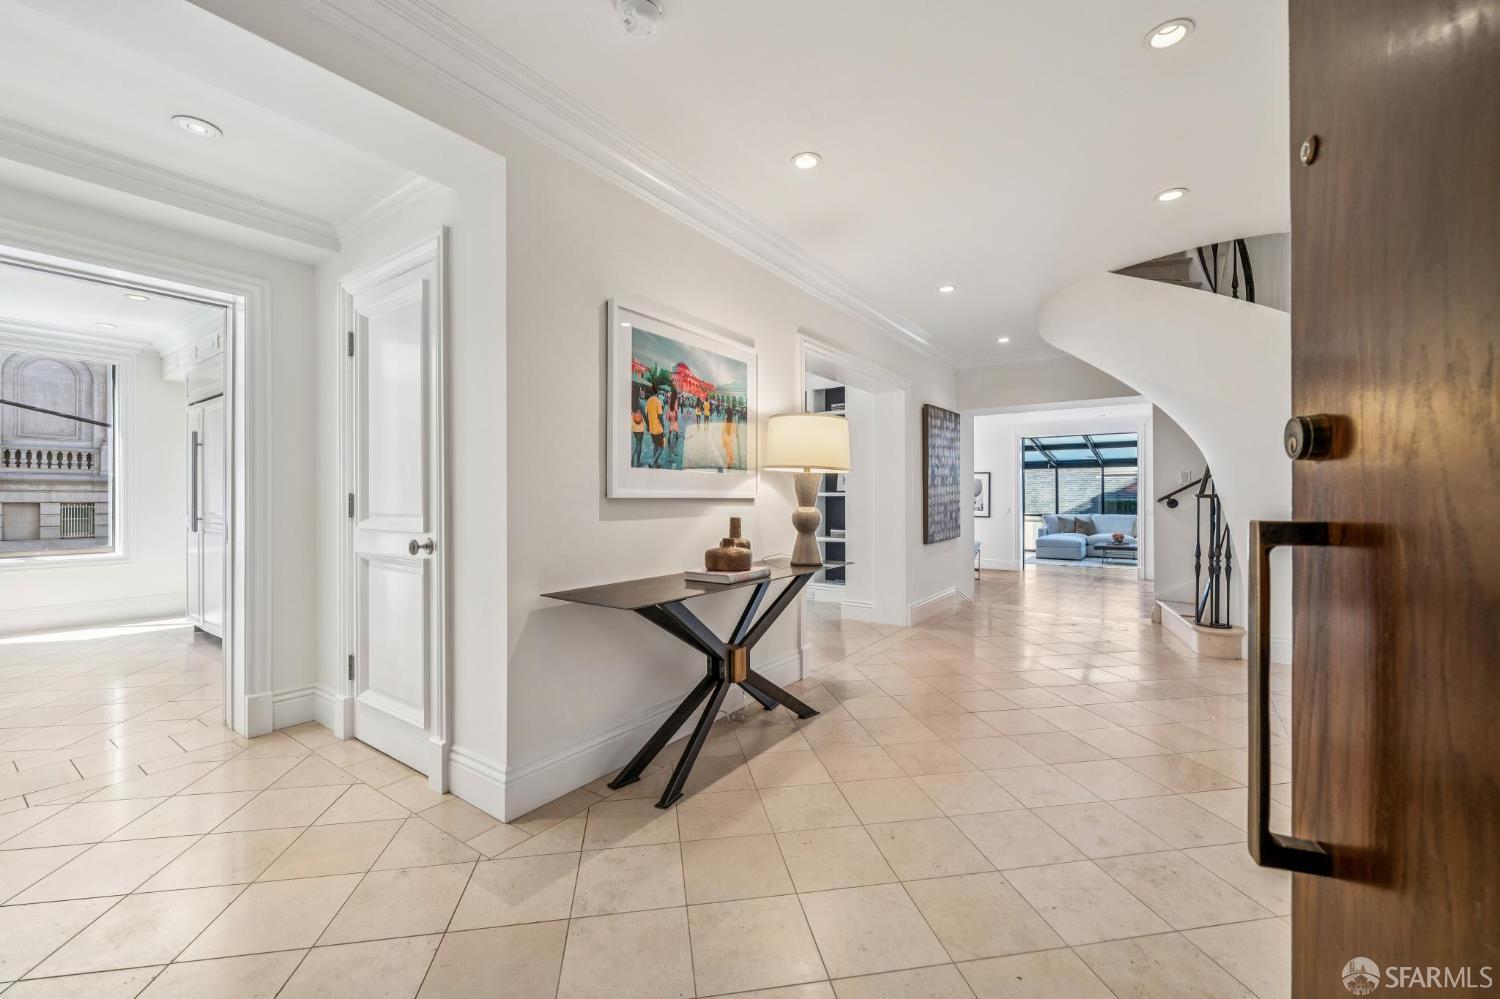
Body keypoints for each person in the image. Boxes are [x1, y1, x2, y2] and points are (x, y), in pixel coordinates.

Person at [645, 385, 667, 468]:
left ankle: (656, 464)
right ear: (657, 392)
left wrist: (648, 425)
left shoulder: (649, 400)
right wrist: (664, 428)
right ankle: (653, 462)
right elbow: (660, 416)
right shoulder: (657, 401)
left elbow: (646, 413)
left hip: (652, 428)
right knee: (661, 447)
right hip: (658, 428)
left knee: (655, 445)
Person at [630, 384, 646, 466]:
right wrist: (649, 425)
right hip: (639, 426)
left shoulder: (630, 401)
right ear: (638, 391)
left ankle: (632, 458)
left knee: (637, 443)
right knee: (639, 444)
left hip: (633, 425)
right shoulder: (640, 403)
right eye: (640, 390)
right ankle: (638, 462)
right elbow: (645, 415)